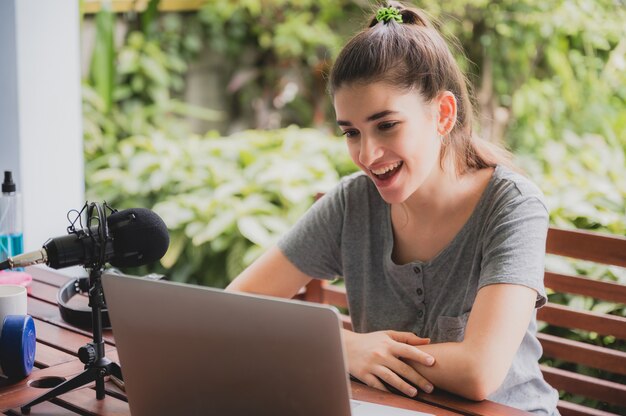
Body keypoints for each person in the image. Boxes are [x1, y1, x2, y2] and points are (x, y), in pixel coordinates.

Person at [227, 2, 559, 414]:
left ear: (443, 114)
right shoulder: (352, 202)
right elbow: (234, 307)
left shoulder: (511, 207)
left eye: (386, 125)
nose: (367, 154)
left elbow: (479, 371)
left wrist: (362, 352)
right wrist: (345, 346)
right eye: (351, 132)